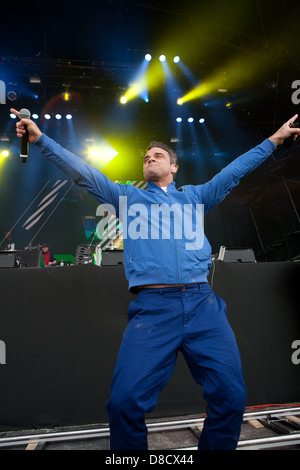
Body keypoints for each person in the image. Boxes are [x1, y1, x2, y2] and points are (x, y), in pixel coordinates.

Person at [11, 108, 300, 450]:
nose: (150, 159)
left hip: (202, 305)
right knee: (124, 402)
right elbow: (82, 172)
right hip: (152, 310)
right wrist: (41, 140)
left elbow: (236, 169)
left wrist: (276, 139)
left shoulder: (195, 196)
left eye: (158, 155)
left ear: (173, 167)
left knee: (232, 397)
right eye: (146, 157)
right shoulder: (127, 197)